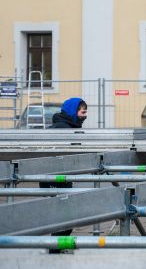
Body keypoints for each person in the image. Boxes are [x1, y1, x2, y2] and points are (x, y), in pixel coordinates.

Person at [42, 98, 88, 244]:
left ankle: (58, 248)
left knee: (65, 217)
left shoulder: (68, 126)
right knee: (63, 218)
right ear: (73, 111)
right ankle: (55, 250)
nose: (85, 115)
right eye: (83, 112)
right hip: (55, 179)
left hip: (61, 177)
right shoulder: (63, 128)